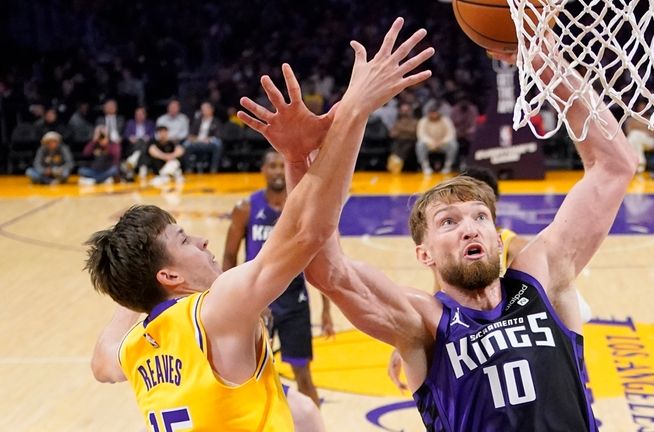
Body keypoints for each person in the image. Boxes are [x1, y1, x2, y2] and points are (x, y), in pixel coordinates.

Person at [88, 18, 434, 431]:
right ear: (169, 273)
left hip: (154, 295)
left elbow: (100, 362)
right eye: (183, 239)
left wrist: (134, 278)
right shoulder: (214, 311)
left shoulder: (130, 350)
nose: (200, 240)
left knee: (302, 412)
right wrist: (354, 109)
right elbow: (309, 231)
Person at [285, 42, 636, 431]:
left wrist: (543, 59)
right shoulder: (423, 322)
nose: (469, 226)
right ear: (425, 255)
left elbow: (614, 166)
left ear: (499, 239)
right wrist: (305, 157)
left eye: (480, 217)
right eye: (448, 222)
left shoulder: (543, 281)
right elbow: (326, 268)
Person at [386, 166, 593, 391]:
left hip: (544, 302)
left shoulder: (504, 240)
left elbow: (538, 259)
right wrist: (416, 338)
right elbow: (443, 296)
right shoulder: (451, 252)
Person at [222, 148, 335, 406]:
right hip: (257, 305)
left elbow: (318, 260)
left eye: (279, 165)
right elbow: (229, 258)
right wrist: (231, 305)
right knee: (248, 378)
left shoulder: (301, 209)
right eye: (270, 166)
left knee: (303, 376)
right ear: (263, 170)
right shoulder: (246, 209)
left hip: (295, 303)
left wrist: (326, 309)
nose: (275, 171)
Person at [416, 100, 459, 175]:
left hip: (443, 144)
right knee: (419, 144)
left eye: (435, 113)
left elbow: (451, 133)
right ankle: (425, 167)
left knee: (453, 144)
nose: (433, 115)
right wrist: (431, 142)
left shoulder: (446, 120)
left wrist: (442, 142)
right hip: (429, 144)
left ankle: (447, 166)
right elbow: (421, 135)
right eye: (431, 113)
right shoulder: (423, 121)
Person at [184, 101, 224, 173]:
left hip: (209, 143)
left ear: (212, 109)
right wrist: (197, 139)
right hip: (197, 142)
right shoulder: (197, 121)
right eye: (203, 109)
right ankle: (188, 169)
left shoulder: (216, 121)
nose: (204, 111)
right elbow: (190, 135)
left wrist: (209, 139)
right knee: (186, 144)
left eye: (206, 109)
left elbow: (218, 136)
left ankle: (213, 169)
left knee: (218, 144)